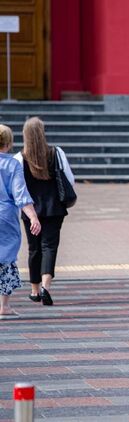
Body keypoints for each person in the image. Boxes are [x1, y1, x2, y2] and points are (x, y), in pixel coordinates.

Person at [14, 117, 74, 307]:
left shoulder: (19, 157)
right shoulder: (56, 153)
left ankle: (34, 290)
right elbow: (69, 179)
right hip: (54, 207)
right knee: (50, 246)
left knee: (34, 248)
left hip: (30, 209)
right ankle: (46, 287)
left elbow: (17, 187)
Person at [0, 125, 41, 319]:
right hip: (6, 216)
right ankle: (4, 306)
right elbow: (20, 194)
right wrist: (33, 216)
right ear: (8, 144)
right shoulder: (13, 164)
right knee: (6, 259)